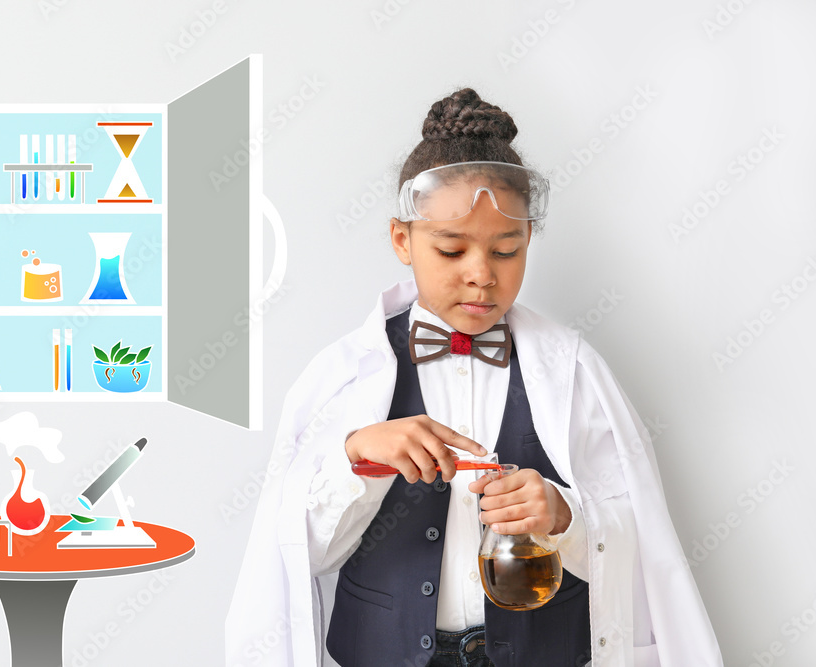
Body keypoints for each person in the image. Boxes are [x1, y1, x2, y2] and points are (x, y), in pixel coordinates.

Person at [226, 88, 723, 667]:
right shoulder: (340, 376)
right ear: (402, 240)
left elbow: (640, 543)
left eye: (506, 251)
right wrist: (357, 456)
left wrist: (564, 515)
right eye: (452, 249)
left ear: (528, 242)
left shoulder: (574, 370)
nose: (481, 275)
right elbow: (292, 556)